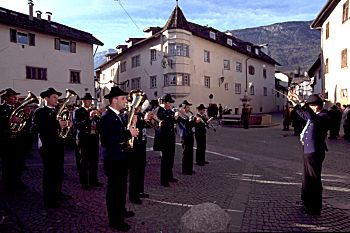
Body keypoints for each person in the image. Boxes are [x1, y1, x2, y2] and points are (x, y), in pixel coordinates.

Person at [100, 86, 139, 231]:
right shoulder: (106, 117)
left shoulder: (117, 115)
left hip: (121, 158)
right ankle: (115, 220)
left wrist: (132, 124)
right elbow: (108, 139)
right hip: (113, 160)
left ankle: (121, 211)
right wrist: (128, 133)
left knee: (121, 188)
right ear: (114, 100)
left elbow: (121, 132)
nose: (126, 101)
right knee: (115, 191)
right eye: (123, 98)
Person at [288, 93, 330, 216]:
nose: (310, 108)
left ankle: (315, 207)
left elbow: (311, 117)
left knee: (314, 180)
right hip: (308, 151)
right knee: (307, 178)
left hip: (314, 152)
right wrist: (295, 103)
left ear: (316, 106)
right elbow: (304, 114)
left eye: (311, 105)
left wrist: (302, 102)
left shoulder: (323, 116)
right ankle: (306, 201)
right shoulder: (315, 115)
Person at [32, 88, 72, 208]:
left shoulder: (56, 111)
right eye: (54, 97)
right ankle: (49, 199)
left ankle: (57, 193)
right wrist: (57, 124)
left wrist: (68, 126)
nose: (57, 99)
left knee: (58, 172)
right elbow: (37, 128)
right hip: (48, 146)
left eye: (57, 97)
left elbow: (61, 128)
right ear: (46, 99)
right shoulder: (40, 112)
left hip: (58, 145)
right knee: (50, 173)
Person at [72, 93, 103, 190]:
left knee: (94, 160)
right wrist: (89, 118)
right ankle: (84, 182)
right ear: (83, 101)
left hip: (94, 138)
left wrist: (99, 117)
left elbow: (99, 124)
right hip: (83, 138)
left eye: (91, 101)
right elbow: (77, 125)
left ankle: (94, 180)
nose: (90, 103)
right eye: (88, 101)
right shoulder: (77, 111)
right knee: (84, 161)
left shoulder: (93, 111)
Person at [0, 88, 26, 194]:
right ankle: (8, 185)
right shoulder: (1, 109)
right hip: (6, 140)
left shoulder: (18, 108)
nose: (15, 98)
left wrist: (25, 118)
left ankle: (17, 181)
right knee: (7, 164)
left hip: (18, 140)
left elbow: (25, 123)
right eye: (12, 96)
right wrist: (9, 121)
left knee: (19, 163)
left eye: (15, 96)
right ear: (6, 98)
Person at [155, 94, 179, 187]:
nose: (171, 105)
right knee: (165, 160)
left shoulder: (169, 111)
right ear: (165, 103)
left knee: (170, 158)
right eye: (170, 103)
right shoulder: (160, 111)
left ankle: (170, 176)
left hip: (171, 138)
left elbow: (174, 121)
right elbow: (161, 123)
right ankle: (163, 179)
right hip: (164, 138)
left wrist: (176, 117)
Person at [128, 106, 150, 205]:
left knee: (141, 169)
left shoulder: (140, 114)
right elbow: (133, 127)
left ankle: (140, 191)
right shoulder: (130, 115)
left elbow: (145, 127)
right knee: (134, 172)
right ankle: (133, 195)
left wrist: (148, 120)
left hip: (142, 145)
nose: (140, 107)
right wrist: (144, 120)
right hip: (134, 147)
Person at [177, 100, 196, 175]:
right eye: (187, 107)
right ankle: (185, 170)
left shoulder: (189, 114)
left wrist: (193, 120)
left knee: (190, 152)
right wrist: (190, 120)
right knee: (185, 153)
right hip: (184, 135)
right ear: (183, 108)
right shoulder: (180, 116)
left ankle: (190, 169)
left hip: (190, 134)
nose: (189, 108)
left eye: (189, 107)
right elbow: (185, 126)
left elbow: (192, 124)